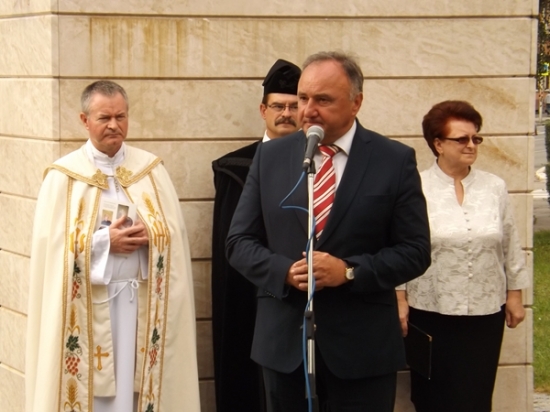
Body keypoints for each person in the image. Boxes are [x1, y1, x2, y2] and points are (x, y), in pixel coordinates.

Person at [226, 51, 431, 412]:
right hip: (284, 346)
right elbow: (238, 242)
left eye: (323, 100)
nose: (308, 110)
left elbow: (415, 250)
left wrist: (349, 271)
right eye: (303, 98)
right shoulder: (271, 157)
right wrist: (284, 272)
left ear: (356, 103)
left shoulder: (393, 160)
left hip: (362, 350)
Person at [26, 80, 201, 412]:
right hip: (90, 308)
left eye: (121, 117)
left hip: (141, 306)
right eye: (104, 117)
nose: (114, 125)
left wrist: (154, 236)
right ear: (84, 120)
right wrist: (105, 243)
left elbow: (174, 237)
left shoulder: (151, 172)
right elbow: (53, 252)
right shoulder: (63, 177)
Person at [396, 100, 529, 412]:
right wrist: (399, 298)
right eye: (461, 139)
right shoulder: (416, 187)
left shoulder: (494, 187)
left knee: (475, 397)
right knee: (432, 398)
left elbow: (510, 241)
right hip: (430, 310)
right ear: (438, 144)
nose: (471, 145)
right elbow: (401, 245)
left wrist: (515, 294)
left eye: (475, 138)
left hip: (484, 313)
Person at [211, 59, 301, 412]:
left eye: (293, 106)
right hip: (247, 291)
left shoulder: (320, 165)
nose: (286, 114)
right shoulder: (235, 168)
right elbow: (231, 244)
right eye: (278, 106)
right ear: (264, 110)